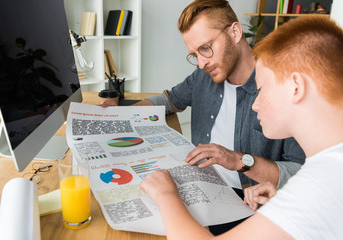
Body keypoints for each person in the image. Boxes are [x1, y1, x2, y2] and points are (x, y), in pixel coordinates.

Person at [104, 0, 305, 233]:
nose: (201, 63)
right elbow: (168, 100)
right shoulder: (203, 76)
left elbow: (300, 171)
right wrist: (118, 114)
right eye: (194, 54)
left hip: (246, 202)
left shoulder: (280, 88)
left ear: (235, 32)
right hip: (198, 187)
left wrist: (240, 160)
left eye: (205, 48)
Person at [140, 15, 343, 239]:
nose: (255, 104)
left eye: (261, 89)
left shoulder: (319, 186)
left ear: (296, 87)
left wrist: (166, 195)